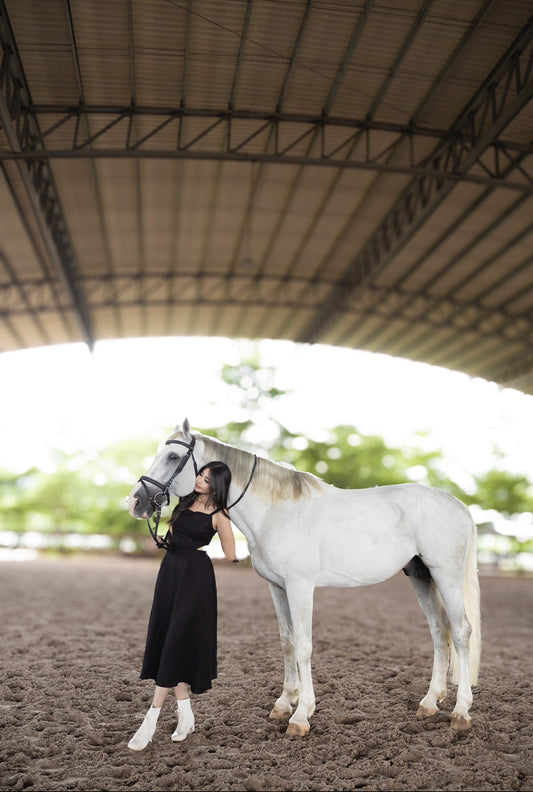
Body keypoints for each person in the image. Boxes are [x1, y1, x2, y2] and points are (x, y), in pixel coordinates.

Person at [128, 460, 238, 751]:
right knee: (169, 639)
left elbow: (230, 554)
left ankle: (149, 720)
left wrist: (196, 550)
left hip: (195, 577)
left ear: (218, 485)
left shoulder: (220, 514)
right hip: (170, 572)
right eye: (200, 475)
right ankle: (186, 716)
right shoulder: (184, 501)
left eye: (207, 478)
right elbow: (172, 529)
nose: (200, 480)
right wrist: (169, 541)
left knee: (176, 640)